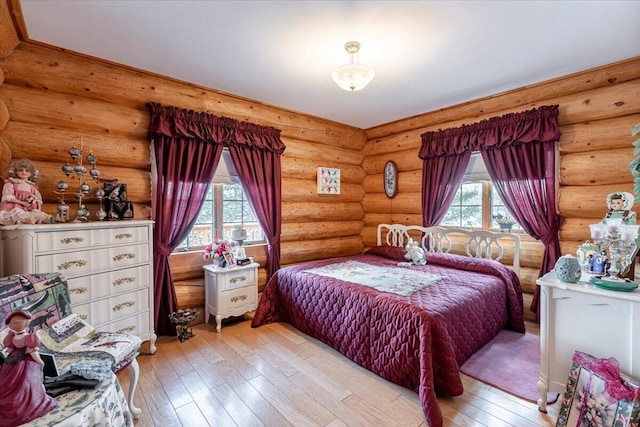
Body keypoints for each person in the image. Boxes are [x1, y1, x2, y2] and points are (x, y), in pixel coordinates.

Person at [0, 310, 58, 426]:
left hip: (12, 362)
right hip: (25, 363)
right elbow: (33, 353)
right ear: (27, 323)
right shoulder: (29, 337)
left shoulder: (11, 337)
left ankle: (15, 405)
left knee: (9, 383)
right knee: (30, 382)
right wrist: (41, 362)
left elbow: (10, 350)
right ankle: (31, 403)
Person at [0, 159, 52, 225]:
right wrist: (23, 203)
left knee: (37, 214)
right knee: (17, 213)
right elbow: (8, 197)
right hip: (15, 205)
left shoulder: (32, 187)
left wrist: (38, 208)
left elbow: (38, 199)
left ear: (31, 173)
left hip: (28, 207)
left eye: (27, 171)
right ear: (15, 171)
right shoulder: (11, 184)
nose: (24, 172)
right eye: (20, 170)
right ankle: (27, 220)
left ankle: (46, 219)